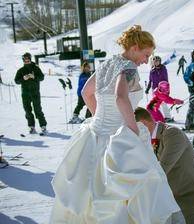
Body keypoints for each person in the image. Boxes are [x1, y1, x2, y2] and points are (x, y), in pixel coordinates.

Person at [50, 25, 179, 224]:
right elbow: (120, 97)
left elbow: (86, 93)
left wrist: (98, 118)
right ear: (134, 47)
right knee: (125, 193)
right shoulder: (128, 68)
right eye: (146, 55)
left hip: (94, 135)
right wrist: (133, 129)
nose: (146, 61)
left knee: (87, 193)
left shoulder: (107, 64)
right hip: (117, 140)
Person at [134, 107, 194, 224]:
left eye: (135, 129)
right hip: (175, 197)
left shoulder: (172, 134)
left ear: (143, 124)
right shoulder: (148, 139)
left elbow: (162, 168)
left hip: (191, 196)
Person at [14, 52, 47, 134]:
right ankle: (31, 127)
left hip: (35, 92)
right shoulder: (21, 70)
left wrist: (34, 77)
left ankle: (43, 126)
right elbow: (16, 81)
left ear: (30, 59)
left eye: (28, 59)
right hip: (25, 93)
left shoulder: (36, 68)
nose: (26, 61)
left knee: (38, 109)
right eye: (25, 60)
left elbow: (42, 77)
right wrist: (23, 79)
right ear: (23, 60)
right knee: (27, 110)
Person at [145, 56, 173, 122]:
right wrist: (148, 89)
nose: (156, 62)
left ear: (160, 62)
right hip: (154, 90)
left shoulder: (163, 69)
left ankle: (168, 117)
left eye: (157, 61)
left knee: (163, 103)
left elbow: (165, 80)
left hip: (162, 90)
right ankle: (156, 116)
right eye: (154, 61)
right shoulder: (152, 70)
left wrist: (165, 90)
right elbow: (150, 81)